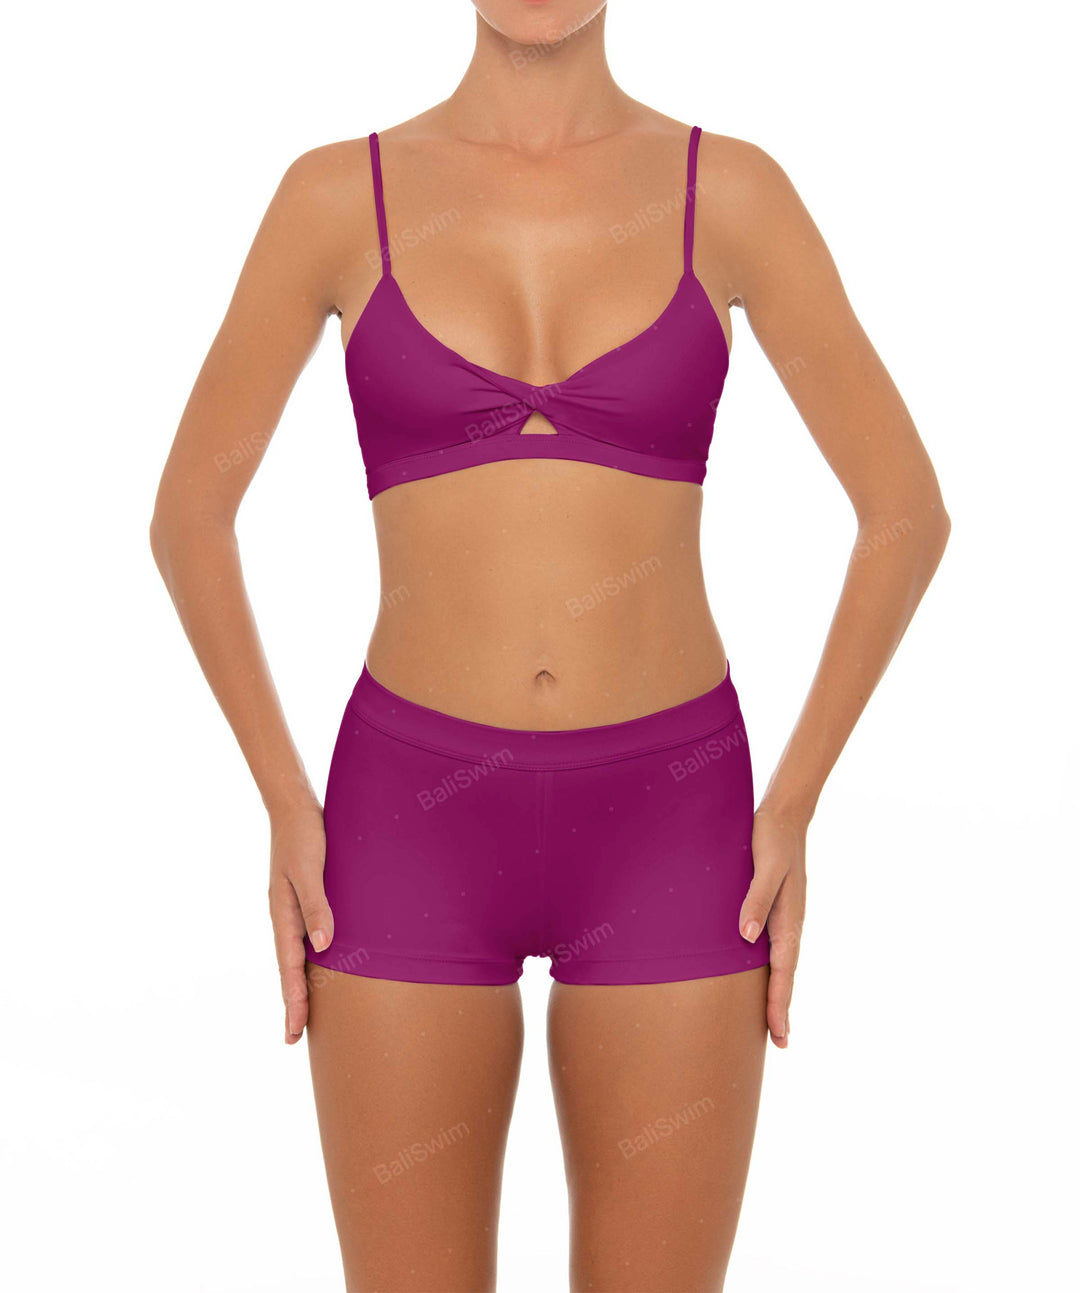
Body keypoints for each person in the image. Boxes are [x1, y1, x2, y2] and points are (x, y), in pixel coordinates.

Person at [150, 2, 950, 1288]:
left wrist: (794, 804)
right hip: (406, 820)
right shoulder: (334, 198)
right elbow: (190, 515)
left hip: (674, 822)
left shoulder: (730, 193)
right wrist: (285, 800)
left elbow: (905, 511)